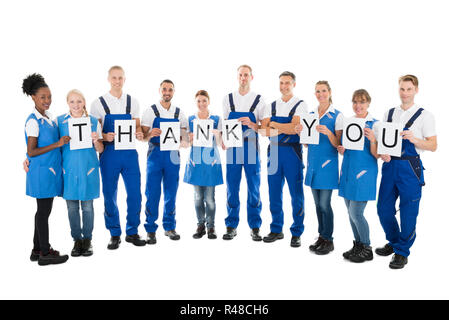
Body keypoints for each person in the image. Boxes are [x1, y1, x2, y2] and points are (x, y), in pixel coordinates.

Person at [375, 75, 437, 269]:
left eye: (409, 89)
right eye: (402, 89)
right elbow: (382, 141)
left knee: (408, 212)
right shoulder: (390, 113)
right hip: (390, 166)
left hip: (410, 167)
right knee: (383, 209)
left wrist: (415, 140)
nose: (405, 93)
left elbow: (433, 145)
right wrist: (382, 152)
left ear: (416, 90)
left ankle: (402, 252)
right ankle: (395, 242)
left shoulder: (425, 115)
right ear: (398, 89)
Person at [90, 66, 146, 250]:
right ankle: (114, 233)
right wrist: (105, 137)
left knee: (135, 194)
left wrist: (138, 134)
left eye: (120, 78)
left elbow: (137, 127)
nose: (117, 81)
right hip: (109, 154)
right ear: (108, 79)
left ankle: (132, 231)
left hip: (130, 154)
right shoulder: (98, 103)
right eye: (114, 78)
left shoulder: (133, 102)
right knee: (109, 194)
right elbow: (95, 133)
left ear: (124, 79)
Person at [23, 73, 70, 266]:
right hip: (41, 173)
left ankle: (36, 250)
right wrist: (57, 143)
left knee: (41, 212)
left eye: (49, 96)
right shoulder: (33, 120)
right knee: (43, 212)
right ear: (33, 97)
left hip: (49, 172)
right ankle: (45, 252)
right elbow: (32, 151)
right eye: (43, 97)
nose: (47, 100)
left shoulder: (49, 117)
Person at [260, 71, 308, 247]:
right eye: (281, 83)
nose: (284, 86)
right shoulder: (270, 105)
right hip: (273, 152)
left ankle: (296, 231)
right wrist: (283, 127)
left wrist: (273, 124)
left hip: (292, 153)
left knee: (296, 194)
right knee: (274, 193)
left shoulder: (300, 104)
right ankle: (276, 229)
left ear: (294, 84)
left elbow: (294, 128)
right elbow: (262, 131)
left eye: (287, 83)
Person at [56, 90, 104, 257]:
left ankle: (87, 240)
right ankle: (77, 240)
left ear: (84, 102)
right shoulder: (60, 121)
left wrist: (96, 140)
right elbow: (54, 146)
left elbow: (100, 149)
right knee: (71, 208)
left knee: (88, 207)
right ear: (67, 103)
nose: (76, 105)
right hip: (68, 169)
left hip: (88, 168)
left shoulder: (92, 122)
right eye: (72, 102)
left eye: (79, 101)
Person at [222, 65, 266, 241]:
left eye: (246, 75)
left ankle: (255, 226)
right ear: (237, 77)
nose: (243, 78)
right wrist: (224, 140)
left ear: (251, 77)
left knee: (254, 187)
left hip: (251, 147)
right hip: (233, 148)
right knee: (232, 187)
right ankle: (231, 225)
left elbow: (264, 128)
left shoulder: (259, 100)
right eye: (240, 75)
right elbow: (225, 123)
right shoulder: (228, 98)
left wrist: (253, 124)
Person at [141, 79, 188, 244]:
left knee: (171, 191)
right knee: (152, 192)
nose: (167, 92)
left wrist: (185, 141)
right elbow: (142, 137)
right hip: (155, 153)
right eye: (164, 89)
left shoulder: (179, 113)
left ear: (174, 92)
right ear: (159, 90)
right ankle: (150, 229)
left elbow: (185, 138)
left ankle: (169, 227)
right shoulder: (151, 111)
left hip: (173, 156)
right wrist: (149, 135)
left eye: (170, 89)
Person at [337, 89, 379, 263]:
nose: (358, 105)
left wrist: (373, 139)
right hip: (348, 170)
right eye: (355, 102)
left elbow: (377, 155)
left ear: (368, 103)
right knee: (349, 212)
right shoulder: (348, 122)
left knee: (356, 212)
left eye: (361, 102)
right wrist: (342, 149)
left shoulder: (375, 125)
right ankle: (358, 245)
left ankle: (367, 248)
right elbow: (346, 147)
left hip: (364, 172)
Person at [301, 81, 343, 255]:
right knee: (317, 205)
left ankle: (329, 239)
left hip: (328, 166)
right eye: (318, 91)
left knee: (325, 204)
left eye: (324, 91)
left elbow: (339, 144)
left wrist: (329, 133)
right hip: (313, 165)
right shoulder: (310, 115)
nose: (321, 94)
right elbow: (306, 144)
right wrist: (300, 133)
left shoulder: (337, 116)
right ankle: (321, 236)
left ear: (330, 92)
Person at [184, 90, 224, 239]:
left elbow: (221, 144)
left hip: (211, 162)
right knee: (198, 197)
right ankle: (200, 225)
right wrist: (189, 138)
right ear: (195, 102)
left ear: (209, 101)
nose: (201, 104)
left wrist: (217, 134)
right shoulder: (190, 120)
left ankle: (211, 226)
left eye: (204, 101)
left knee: (210, 198)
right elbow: (185, 144)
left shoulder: (216, 119)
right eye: (199, 101)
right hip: (196, 161)